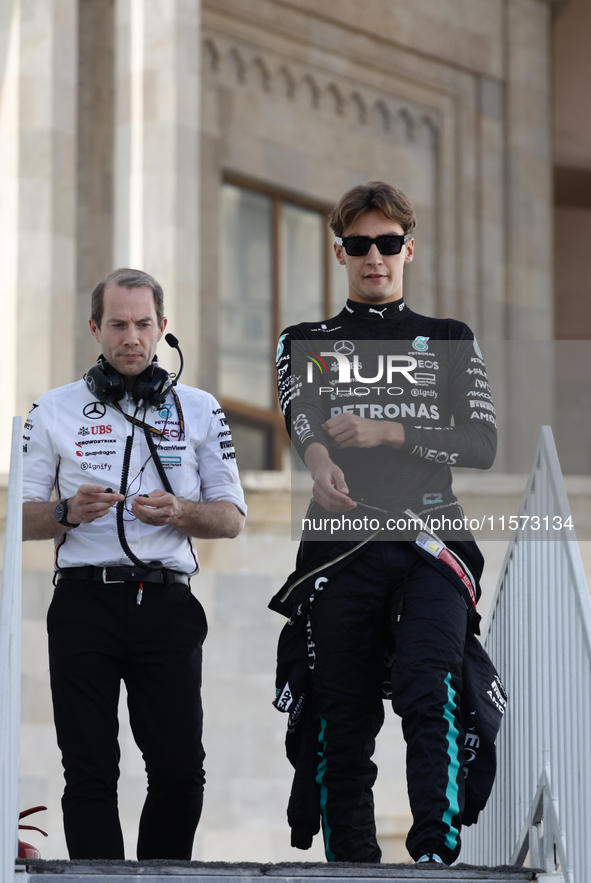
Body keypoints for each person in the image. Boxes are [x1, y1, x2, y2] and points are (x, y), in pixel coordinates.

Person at [272, 182, 498, 865]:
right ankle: (352, 862)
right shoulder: (306, 339)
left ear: (409, 249)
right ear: (338, 251)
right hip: (340, 549)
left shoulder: (452, 339)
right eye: (360, 244)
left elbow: (481, 444)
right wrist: (317, 461)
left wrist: (389, 431)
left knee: (430, 688)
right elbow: (299, 413)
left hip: (431, 543)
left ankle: (434, 848)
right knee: (342, 713)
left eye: (389, 243)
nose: (376, 257)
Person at [22, 268, 246, 860]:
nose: (131, 337)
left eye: (143, 325)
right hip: (82, 603)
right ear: (95, 329)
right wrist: (67, 511)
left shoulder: (199, 409)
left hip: (167, 603)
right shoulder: (51, 409)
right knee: (90, 767)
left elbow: (231, 518)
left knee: (178, 768)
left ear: (163, 329)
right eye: (117, 325)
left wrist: (180, 511)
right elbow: (17, 519)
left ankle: (160, 880)